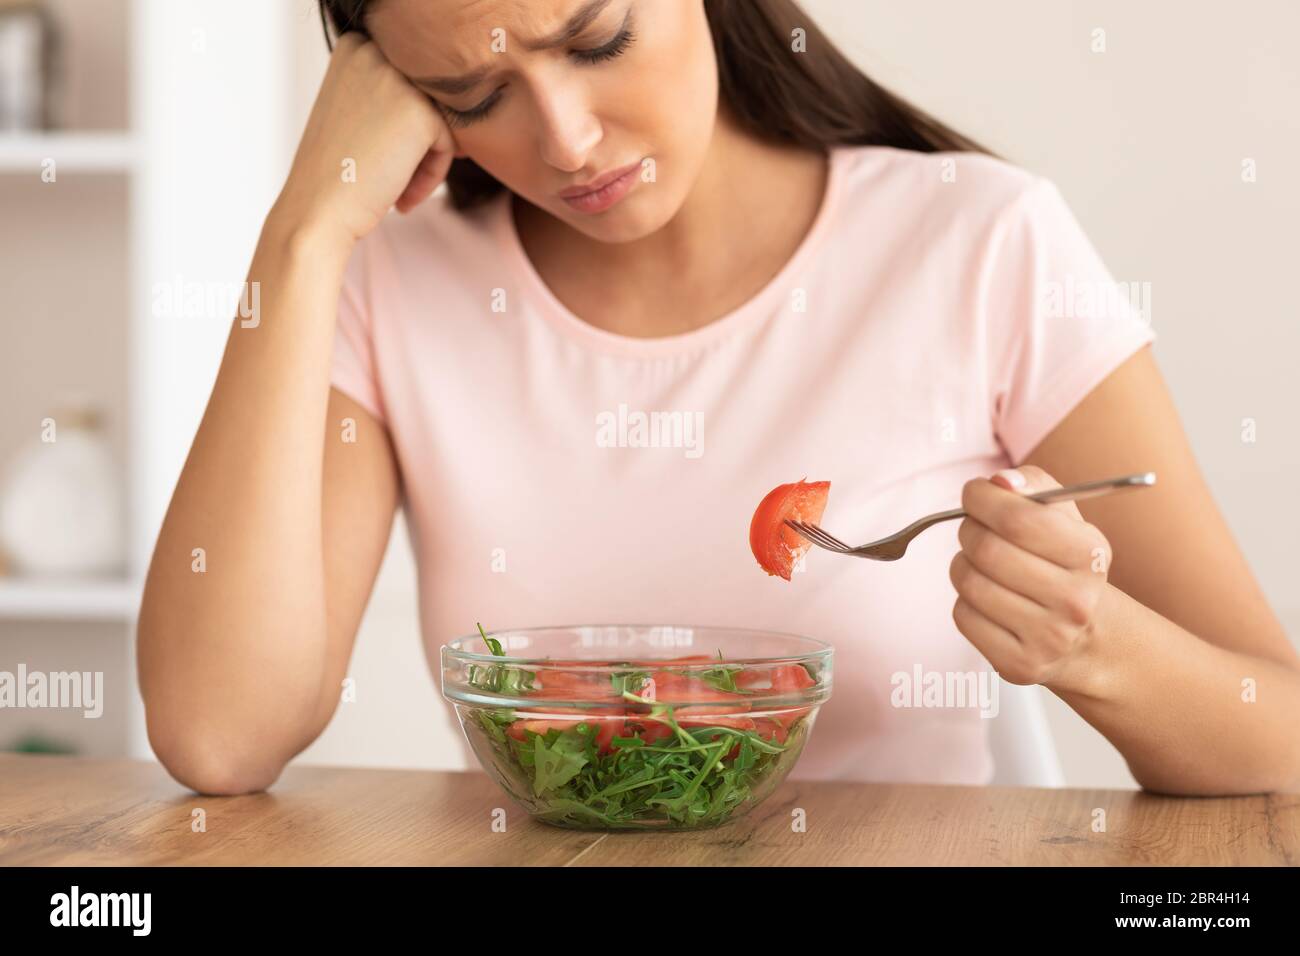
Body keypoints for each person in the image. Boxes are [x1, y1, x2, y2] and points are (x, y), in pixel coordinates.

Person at [137, 0, 1300, 796]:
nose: (567, 138)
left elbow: (1278, 733)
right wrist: (302, 232)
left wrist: (1090, 643)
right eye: (471, 91)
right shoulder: (395, 286)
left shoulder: (977, 244)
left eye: (596, 40)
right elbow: (219, 732)